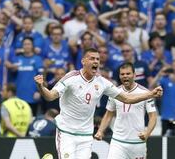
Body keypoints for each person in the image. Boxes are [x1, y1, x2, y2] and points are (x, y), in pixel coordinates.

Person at [34, 48, 163, 159]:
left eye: (97, 59)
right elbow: (50, 96)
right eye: (92, 59)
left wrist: (150, 94)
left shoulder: (102, 83)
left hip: (85, 135)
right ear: (83, 61)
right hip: (66, 132)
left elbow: (127, 99)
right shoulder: (71, 78)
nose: (96, 61)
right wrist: (41, 87)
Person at [95, 62, 157, 159]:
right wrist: (100, 131)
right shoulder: (115, 92)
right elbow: (108, 114)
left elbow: (153, 116)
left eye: (128, 74)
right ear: (119, 76)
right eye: (122, 74)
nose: (125, 76)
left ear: (134, 75)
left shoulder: (145, 93)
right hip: (118, 142)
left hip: (137, 143)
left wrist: (147, 132)